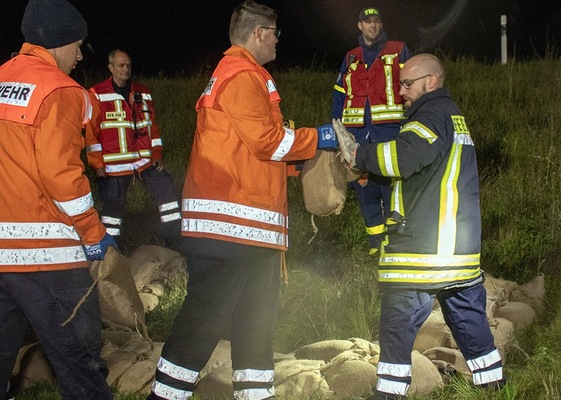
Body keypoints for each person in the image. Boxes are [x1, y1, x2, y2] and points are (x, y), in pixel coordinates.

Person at [146, 2, 337, 399]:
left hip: (247, 231)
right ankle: (165, 395)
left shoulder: (238, 74)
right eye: (275, 33)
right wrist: (318, 137)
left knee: (256, 322)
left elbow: (250, 152)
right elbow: (268, 141)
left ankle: (254, 394)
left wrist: (295, 166)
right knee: (205, 320)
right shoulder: (243, 75)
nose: (278, 41)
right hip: (232, 229)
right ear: (258, 33)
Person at [333, 53, 505, 399]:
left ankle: (388, 393)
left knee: (397, 323)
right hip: (457, 249)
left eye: (407, 84)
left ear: (431, 82)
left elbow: (404, 157)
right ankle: (494, 387)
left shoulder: (430, 115)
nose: (401, 92)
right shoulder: (451, 117)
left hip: (423, 248)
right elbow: (425, 171)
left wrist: (359, 155)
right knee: (468, 318)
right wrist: (372, 173)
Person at [0, 0, 118, 399]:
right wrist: (94, 234)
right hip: (47, 256)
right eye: (78, 45)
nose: (80, 55)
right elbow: (62, 176)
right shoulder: (60, 90)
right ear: (60, 42)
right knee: (81, 367)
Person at [332, 6, 410, 255]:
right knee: (364, 188)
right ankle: (375, 246)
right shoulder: (351, 57)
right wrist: (336, 129)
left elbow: (412, 86)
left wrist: (411, 121)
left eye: (376, 21)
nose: (372, 26)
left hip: (390, 132)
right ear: (360, 26)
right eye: (368, 22)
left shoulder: (398, 50)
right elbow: (339, 94)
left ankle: (395, 245)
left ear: (381, 24)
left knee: (391, 189)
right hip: (357, 136)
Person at [86, 49, 182, 252]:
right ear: (111, 68)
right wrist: (96, 162)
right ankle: (111, 248)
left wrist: (157, 153)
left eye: (128, 65)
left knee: (165, 187)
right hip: (114, 163)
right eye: (121, 65)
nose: (126, 69)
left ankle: (173, 239)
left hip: (144, 160)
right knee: (113, 205)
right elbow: (91, 132)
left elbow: (152, 126)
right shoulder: (97, 94)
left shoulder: (143, 93)